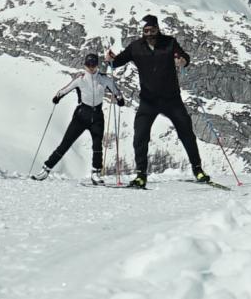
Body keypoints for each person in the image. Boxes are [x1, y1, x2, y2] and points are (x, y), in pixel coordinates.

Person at [108, 14, 208, 188]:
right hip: (148, 100)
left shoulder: (169, 43)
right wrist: (111, 60)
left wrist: (182, 61)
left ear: (157, 29)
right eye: (146, 31)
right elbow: (117, 62)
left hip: (171, 99)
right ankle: (141, 175)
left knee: (186, 133)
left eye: (152, 30)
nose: (149, 33)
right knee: (140, 135)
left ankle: (198, 169)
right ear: (142, 31)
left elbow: (184, 57)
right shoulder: (136, 47)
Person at [36, 51, 122, 180]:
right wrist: (57, 97)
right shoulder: (80, 79)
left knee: (97, 145)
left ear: (97, 65)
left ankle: (96, 173)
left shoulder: (104, 79)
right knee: (66, 143)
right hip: (81, 116)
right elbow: (65, 89)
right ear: (85, 65)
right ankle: (46, 169)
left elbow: (116, 91)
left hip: (97, 116)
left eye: (93, 65)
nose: (91, 68)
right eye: (88, 65)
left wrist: (120, 99)